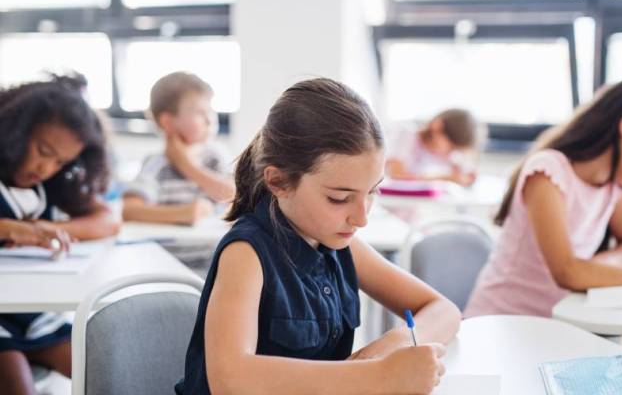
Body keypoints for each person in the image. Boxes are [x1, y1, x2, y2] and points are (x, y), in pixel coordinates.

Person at [176, 78, 461, 394]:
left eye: (373, 191)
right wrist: (377, 375)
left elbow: (444, 310)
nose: (362, 217)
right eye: (339, 198)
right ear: (279, 182)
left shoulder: (341, 244)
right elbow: (229, 380)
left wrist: (396, 344)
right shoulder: (246, 253)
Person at [464, 77, 622, 319]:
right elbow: (567, 273)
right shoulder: (548, 172)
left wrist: (596, 268)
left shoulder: (613, 185)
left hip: (558, 323)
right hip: (500, 323)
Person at [0, 74, 119, 395]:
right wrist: (14, 228)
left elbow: (107, 221)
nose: (46, 167)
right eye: (42, 150)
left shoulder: (48, 184)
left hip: (36, 315)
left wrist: (51, 230)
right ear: (15, 132)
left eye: (60, 161)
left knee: (111, 374)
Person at [123, 71, 234, 225]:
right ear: (168, 122)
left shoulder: (216, 156)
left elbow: (234, 195)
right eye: (199, 112)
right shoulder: (157, 163)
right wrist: (184, 213)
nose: (210, 119)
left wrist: (187, 166)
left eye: (210, 110)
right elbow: (128, 210)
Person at [386, 108, 481, 186]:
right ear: (438, 127)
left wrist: (468, 174)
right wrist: (445, 178)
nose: (452, 153)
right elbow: (397, 176)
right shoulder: (407, 135)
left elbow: (464, 168)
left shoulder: (446, 154)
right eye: (451, 147)